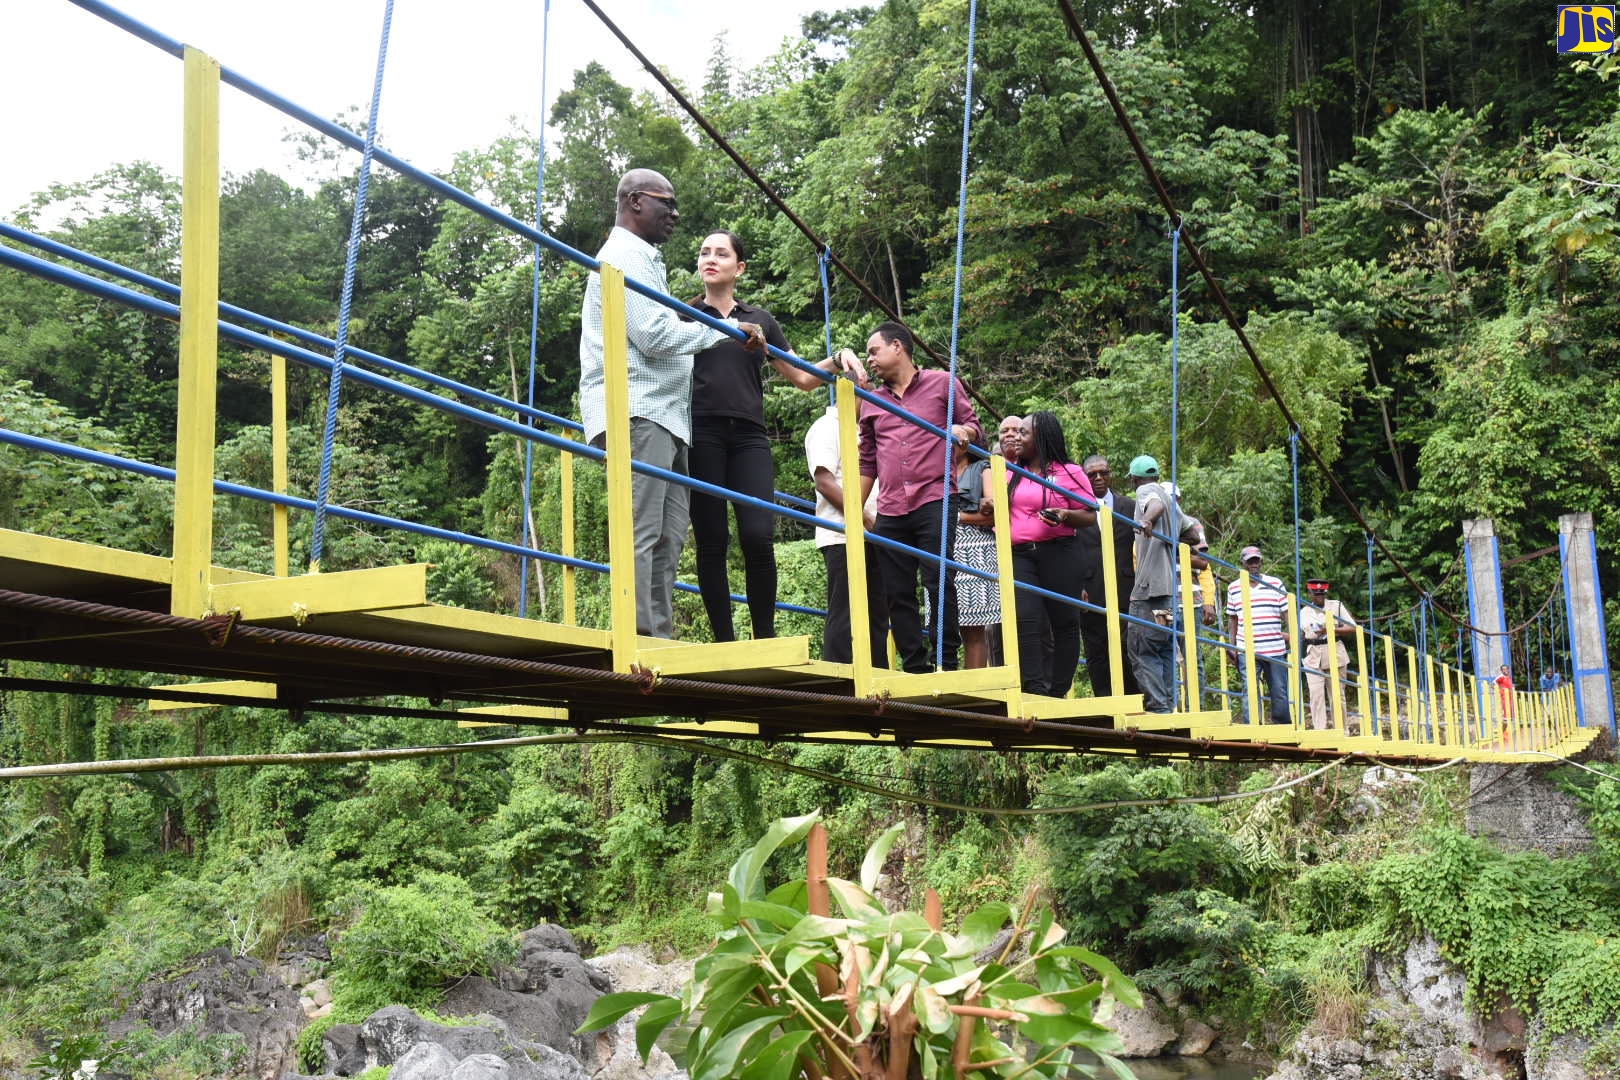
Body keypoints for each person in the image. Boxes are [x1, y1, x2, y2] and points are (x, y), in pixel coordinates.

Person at [578, 169, 766, 639]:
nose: (675, 215)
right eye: (668, 203)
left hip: (664, 413)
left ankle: (657, 632)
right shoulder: (623, 255)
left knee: (669, 533)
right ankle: (640, 632)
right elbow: (654, 334)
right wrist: (726, 329)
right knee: (645, 528)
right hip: (636, 408)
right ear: (637, 202)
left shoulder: (645, 259)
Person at [686, 230, 860, 643]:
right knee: (713, 538)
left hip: (749, 436)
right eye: (704, 251)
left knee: (757, 536)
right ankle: (724, 643)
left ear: (739, 267)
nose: (710, 258)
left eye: (721, 253)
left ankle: (763, 638)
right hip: (702, 430)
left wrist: (836, 360)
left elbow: (801, 377)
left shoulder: (760, 320)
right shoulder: (682, 312)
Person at [855, 322, 981, 673]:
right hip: (891, 507)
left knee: (939, 579)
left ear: (898, 347)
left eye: (874, 350)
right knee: (896, 589)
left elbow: (975, 426)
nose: (870, 359)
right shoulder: (871, 402)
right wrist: (853, 509)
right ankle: (914, 665)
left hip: (935, 496)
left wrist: (963, 431)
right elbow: (867, 460)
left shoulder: (943, 384)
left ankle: (946, 660)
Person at [999, 412, 1095, 696]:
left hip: (1060, 552)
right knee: (1025, 618)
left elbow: (1090, 514)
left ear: (1040, 438)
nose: (1017, 438)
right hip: (1021, 554)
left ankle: (1057, 691)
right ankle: (1035, 689)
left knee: (1064, 622)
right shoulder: (1010, 471)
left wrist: (1065, 514)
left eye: (1024, 433)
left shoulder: (1070, 472)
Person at [805, 404, 887, 665]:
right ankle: (839, 676)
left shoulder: (863, 431)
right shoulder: (826, 427)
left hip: (873, 534)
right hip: (842, 533)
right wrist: (862, 517)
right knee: (845, 610)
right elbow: (824, 481)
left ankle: (879, 677)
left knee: (877, 613)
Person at [1126, 455, 1201, 712]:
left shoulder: (1147, 491)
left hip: (1149, 589)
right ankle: (1169, 705)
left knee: (1141, 648)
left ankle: (1158, 707)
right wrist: (1171, 536)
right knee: (1164, 648)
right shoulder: (1173, 502)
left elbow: (1154, 503)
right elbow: (1193, 535)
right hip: (1169, 592)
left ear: (1134, 479)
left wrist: (1147, 520)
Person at [1076, 454, 1139, 697]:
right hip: (1091, 591)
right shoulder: (1077, 508)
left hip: (1126, 589)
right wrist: (1077, 585)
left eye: (1103, 472)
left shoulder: (1129, 507)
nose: (1099, 478)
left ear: (1111, 474)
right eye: (1092, 474)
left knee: (1128, 646)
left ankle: (1135, 701)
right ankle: (1104, 702)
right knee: (1096, 649)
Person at [1225, 545, 1292, 724]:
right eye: (1250, 562)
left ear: (1261, 562)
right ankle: (1252, 726)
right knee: (1250, 689)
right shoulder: (1234, 588)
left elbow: (1287, 614)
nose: (1254, 565)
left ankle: (1282, 728)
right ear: (1243, 564)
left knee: (1279, 690)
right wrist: (1232, 647)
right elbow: (1232, 619)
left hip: (1274, 648)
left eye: (1256, 561)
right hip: (1246, 649)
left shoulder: (1275, 584)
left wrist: (1294, 637)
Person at [953, 426, 999, 669]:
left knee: (973, 628)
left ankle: (974, 685)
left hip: (976, 549)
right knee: (950, 626)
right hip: (945, 548)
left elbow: (993, 514)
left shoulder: (983, 468)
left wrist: (957, 517)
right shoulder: (938, 471)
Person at [1300, 578, 1355, 731]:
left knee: (1337, 696)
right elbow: (1301, 635)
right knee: (1316, 695)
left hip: (1335, 652)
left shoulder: (1336, 606)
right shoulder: (1304, 612)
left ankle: (1342, 731)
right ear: (1309, 593)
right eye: (1315, 594)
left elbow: (1352, 627)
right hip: (1313, 655)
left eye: (1321, 594)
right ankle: (1320, 731)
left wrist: (1330, 629)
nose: (1319, 597)